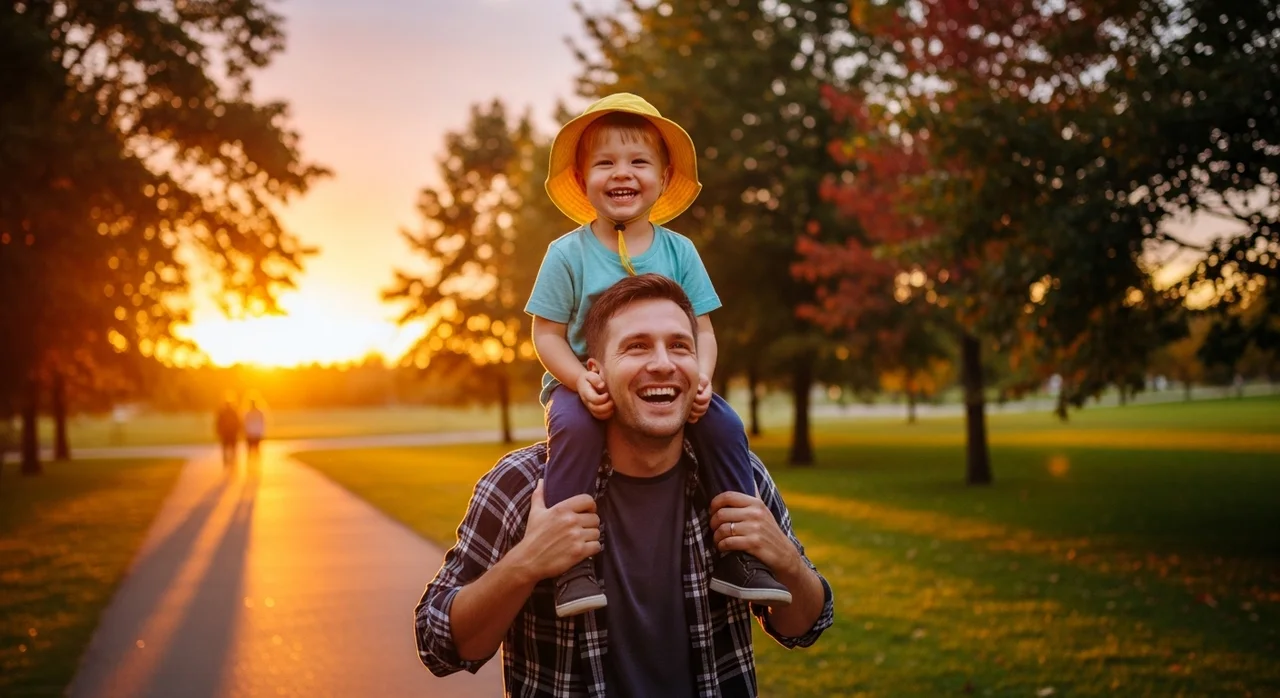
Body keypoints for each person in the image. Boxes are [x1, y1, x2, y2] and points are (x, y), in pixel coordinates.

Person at [416, 274, 834, 697]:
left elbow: (805, 626)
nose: (663, 364)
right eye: (636, 346)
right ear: (594, 373)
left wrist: (785, 559)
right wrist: (525, 563)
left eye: (679, 346)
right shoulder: (522, 485)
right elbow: (439, 646)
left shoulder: (740, 475)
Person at [525, 92, 788, 618]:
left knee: (725, 427)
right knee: (573, 430)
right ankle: (572, 564)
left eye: (638, 162)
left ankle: (739, 554)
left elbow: (704, 330)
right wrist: (579, 380)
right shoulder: (567, 253)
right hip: (588, 385)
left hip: (670, 383)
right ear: (582, 180)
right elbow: (546, 334)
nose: (622, 173)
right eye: (605, 163)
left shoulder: (679, 251)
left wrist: (703, 378)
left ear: (664, 177)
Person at [214, 399, 241, 468]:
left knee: (226, 447)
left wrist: (218, 431)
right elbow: (238, 422)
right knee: (232, 448)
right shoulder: (233, 412)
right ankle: (231, 460)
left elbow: (218, 423)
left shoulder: (223, 412)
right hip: (231, 432)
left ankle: (227, 460)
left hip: (227, 433)